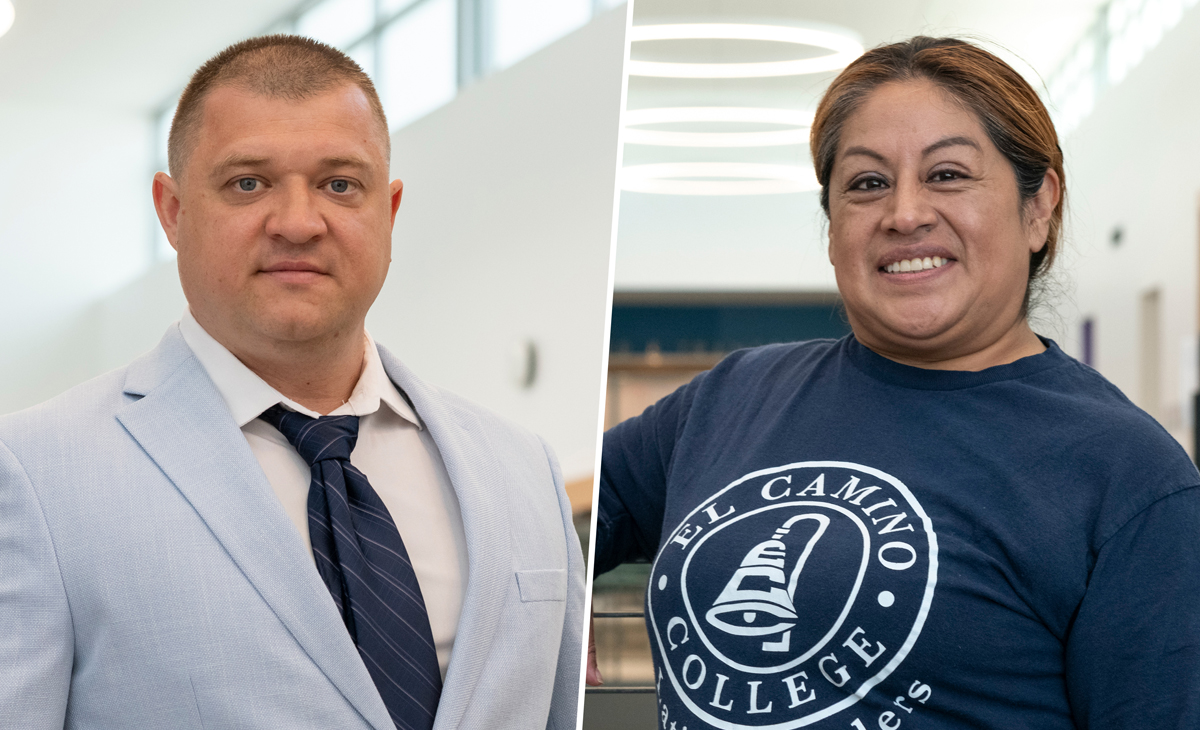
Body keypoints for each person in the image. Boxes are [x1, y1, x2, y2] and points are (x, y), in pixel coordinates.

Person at [592, 37, 1200, 729]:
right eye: (867, 183)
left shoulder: (1130, 477)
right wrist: (547, 608)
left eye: (947, 174)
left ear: (1040, 208)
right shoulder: (733, 396)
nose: (904, 213)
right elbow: (548, 514)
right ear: (831, 227)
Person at [0, 35, 583, 730]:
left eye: (340, 185)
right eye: (248, 183)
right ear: (173, 211)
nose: (300, 224)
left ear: (388, 212)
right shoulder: (34, 475)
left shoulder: (523, 468)